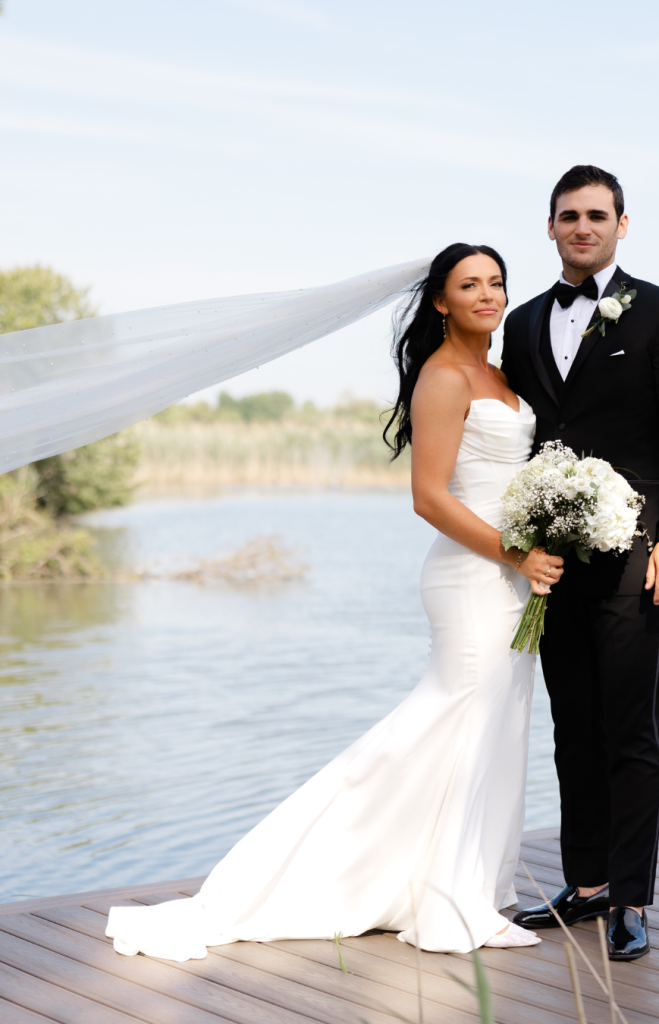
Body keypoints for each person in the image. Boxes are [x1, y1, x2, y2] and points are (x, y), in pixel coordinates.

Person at [105, 243, 564, 960]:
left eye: (495, 282)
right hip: (472, 577)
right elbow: (428, 498)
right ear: (440, 301)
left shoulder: (501, 375)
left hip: (511, 577)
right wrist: (517, 552)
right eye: (468, 284)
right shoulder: (442, 378)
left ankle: (470, 889)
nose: (486, 294)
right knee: (455, 722)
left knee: (497, 729)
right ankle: (431, 900)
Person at [503, 165, 659, 960]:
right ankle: (585, 884)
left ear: (622, 225)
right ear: (549, 227)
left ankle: (630, 898)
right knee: (571, 727)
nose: (582, 227)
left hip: (636, 557)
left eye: (597, 215)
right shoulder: (521, 324)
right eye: (568, 216)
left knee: (629, 728)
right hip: (553, 564)